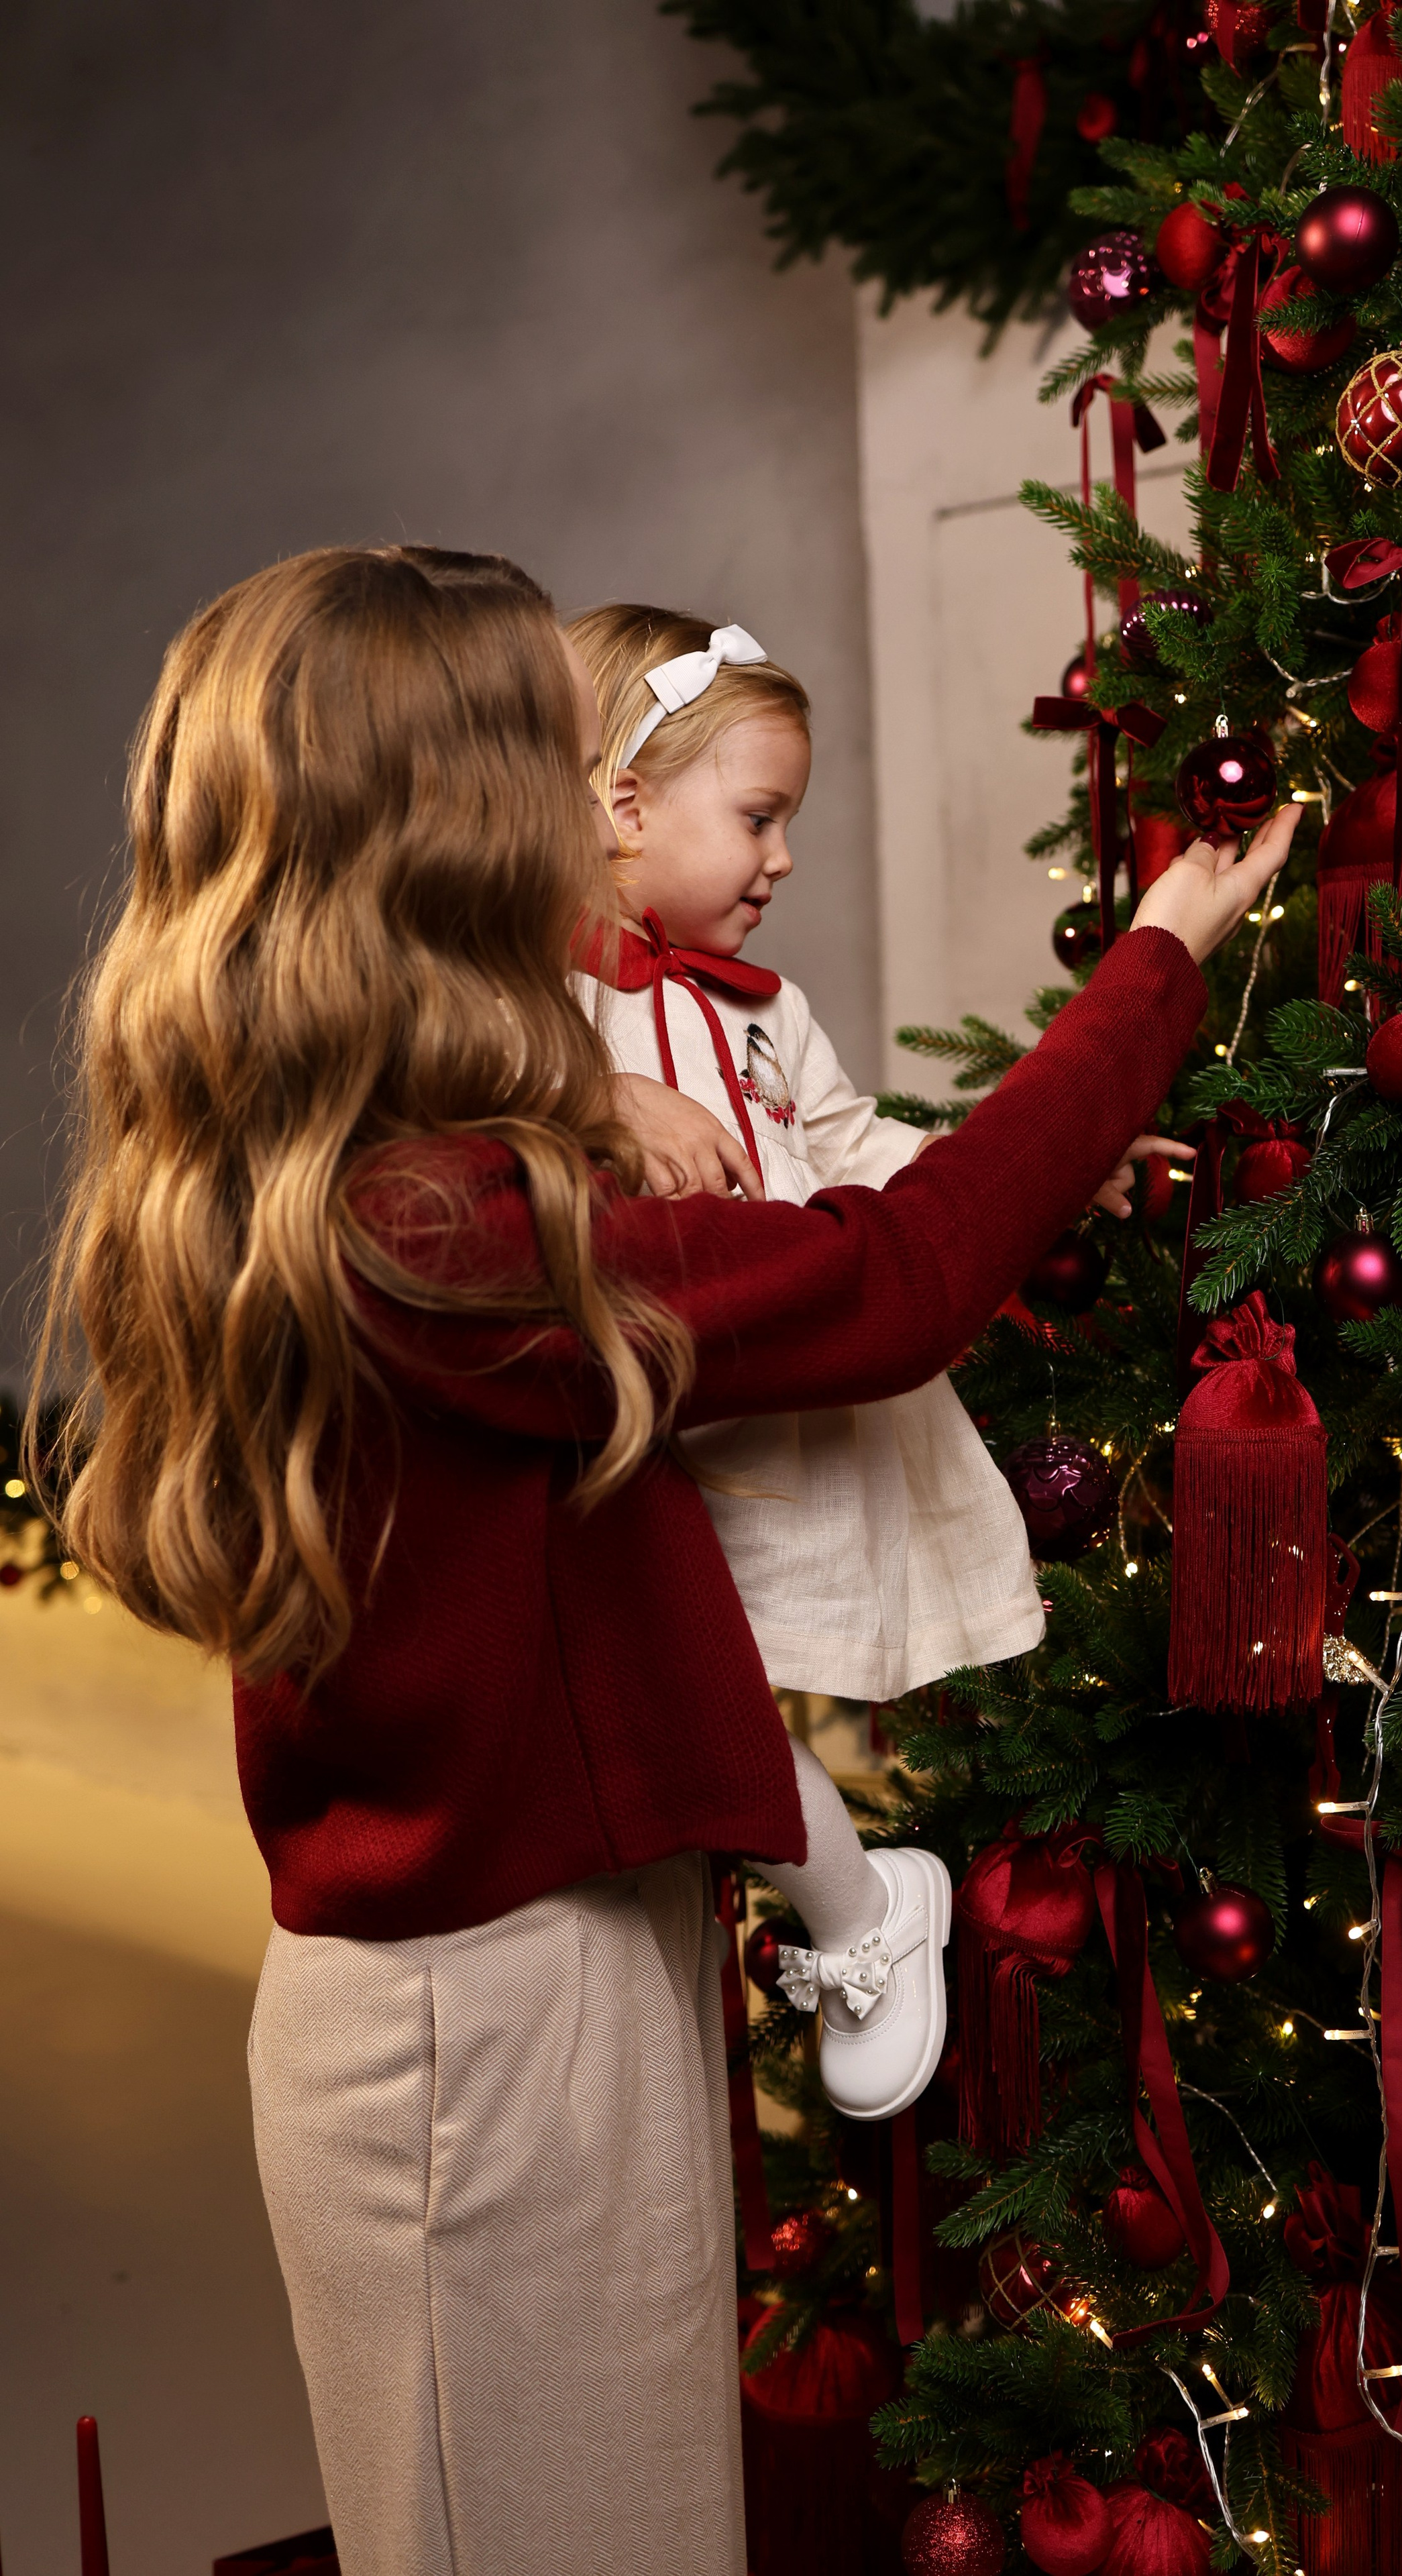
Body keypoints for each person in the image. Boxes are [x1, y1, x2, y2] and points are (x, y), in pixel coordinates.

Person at [32, 543, 1299, 2576]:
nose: (605, 799)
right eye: (561, 756)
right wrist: (1154, 963)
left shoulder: (398, 1151)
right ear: (457, 827)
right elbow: (884, 1288)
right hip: (490, 2033)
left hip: (544, 1976)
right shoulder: (433, 1229)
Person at [565, 602, 1193, 2123]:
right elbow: (472, 1108)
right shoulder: (541, 1005)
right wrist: (594, 1096)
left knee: (721, 1697)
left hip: (788, 1388)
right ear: (623, 808)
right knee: (670, 1687)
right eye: (758, 818)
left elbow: (866, 1155)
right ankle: (851, 1910)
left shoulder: (769, 1015)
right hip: (657, 1414)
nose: (781, 860)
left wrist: (1053, 1164)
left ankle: (835, 1913)